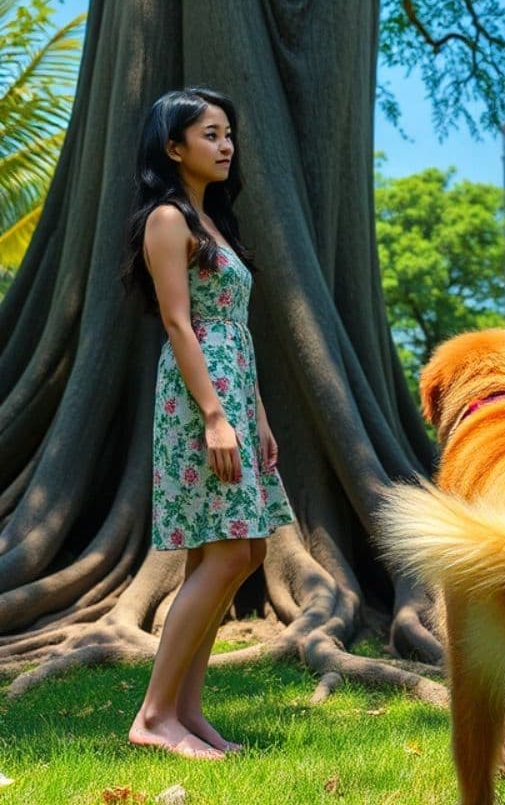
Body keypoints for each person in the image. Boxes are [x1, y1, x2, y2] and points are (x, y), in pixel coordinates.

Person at [124, 88, 294, 759]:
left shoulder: (213, 221)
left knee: (236, 551)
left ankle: (187, 713)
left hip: (231, 397)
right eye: (211, 134)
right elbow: (178, 321)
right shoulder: (167, 219)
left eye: (229, 134)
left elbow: (234, 331)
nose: (226, 146)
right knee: (229, 550)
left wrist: (257, 417)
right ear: (174, 147)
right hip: (197, 404)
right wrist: (217, 418)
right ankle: (154, 714)